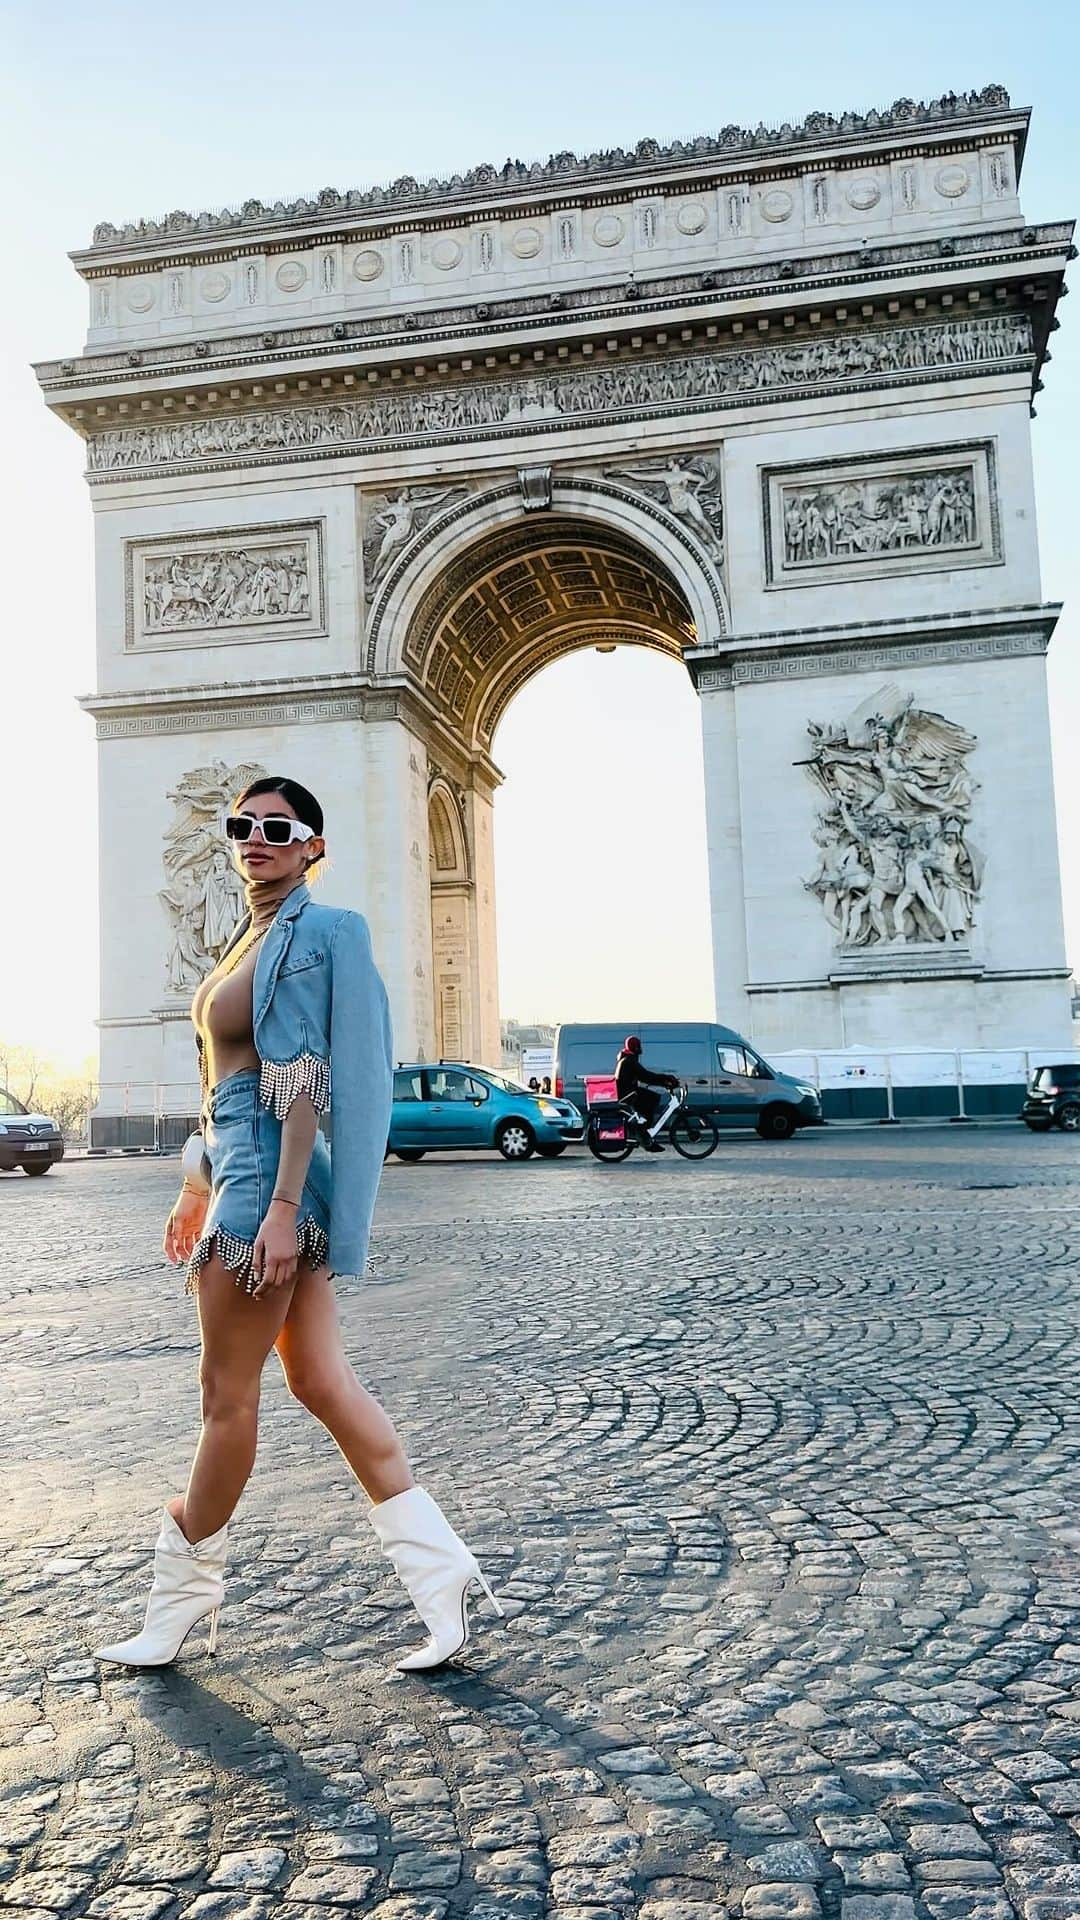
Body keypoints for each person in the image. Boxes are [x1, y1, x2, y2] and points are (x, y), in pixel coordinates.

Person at [95, 776, 502, 1676]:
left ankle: (175, 1605)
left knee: (225, 1401)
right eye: (242, 826)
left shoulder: (324, 931)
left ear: (314, 845)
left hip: (271, 1189)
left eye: (279, 829)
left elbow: (305, 1079)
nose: (256, 840)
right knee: (320, 1380)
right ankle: (444, 1577)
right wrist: (194, 1184)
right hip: (242, 1173)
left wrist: (277, 1211)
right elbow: (224, 1086)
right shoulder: (249, 935)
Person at [614, 1035, 678, 1152]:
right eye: (638, 1046)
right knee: (653, 1098)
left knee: (650, 1098)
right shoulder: (629, 1060)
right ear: (635, 1047)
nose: (640, 1049)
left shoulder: (628, 1058)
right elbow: (646, 1076)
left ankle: (643, 1130)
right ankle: (643, 1133)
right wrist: (665, 1079)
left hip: (627, 1092)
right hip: (628, 1094)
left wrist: (663, 1081)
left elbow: (644, 1076)